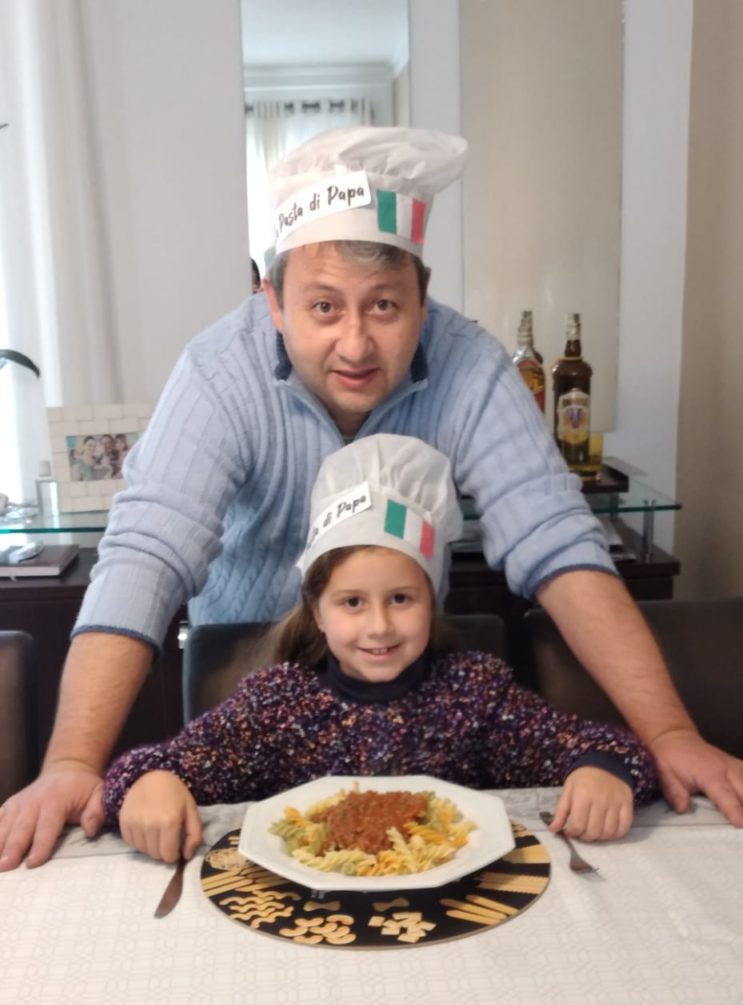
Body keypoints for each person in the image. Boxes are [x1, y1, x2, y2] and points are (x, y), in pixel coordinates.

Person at [1, 126, 741, 873]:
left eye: (384, 306)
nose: (355, 345)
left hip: (415, 694)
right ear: (273, 302)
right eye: (324, 307)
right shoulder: (216, 374)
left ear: (423, 296)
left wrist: (670, 734)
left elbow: (554, 539)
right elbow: (146, 556)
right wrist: (71, 762)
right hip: (250, 692)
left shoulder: (473, 368)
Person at [104, 435, 658, 863]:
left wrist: (602, 770)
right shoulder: (276, 703)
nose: (378, 626)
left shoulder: (474, 694)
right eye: (352, 602)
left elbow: (605, 747)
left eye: (400, 598)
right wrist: (152, 783)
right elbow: (156, 766)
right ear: (316, 611)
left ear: (431, 602)